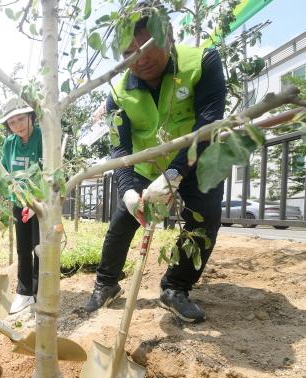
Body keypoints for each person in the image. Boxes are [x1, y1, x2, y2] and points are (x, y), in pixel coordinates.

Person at [83, 4, 226, 323]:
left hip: (199, 163)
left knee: (204, 220)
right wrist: (129, 192)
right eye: (128, 52)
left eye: (147, 46)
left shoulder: (201, 62)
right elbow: (119, 148)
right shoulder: (117, 94)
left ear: (169, 38)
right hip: (146, 171)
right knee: (122, 224)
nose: (140, 58)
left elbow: (208, 123)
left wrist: (175, 174)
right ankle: (106, 284)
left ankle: (176, 287)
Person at [0, 97, 43, 314]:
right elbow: (5, 172)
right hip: (19, 202)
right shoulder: (9, 144)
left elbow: (51, 172)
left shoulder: (43, 137)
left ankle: (41, 291)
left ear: (30, 117)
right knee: (23, 249)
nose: (18, 126)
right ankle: (25, 293)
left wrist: (37, 203)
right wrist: (15, 197)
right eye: (12, 122)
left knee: (40, 249)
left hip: (41, 204)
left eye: (21, 119)